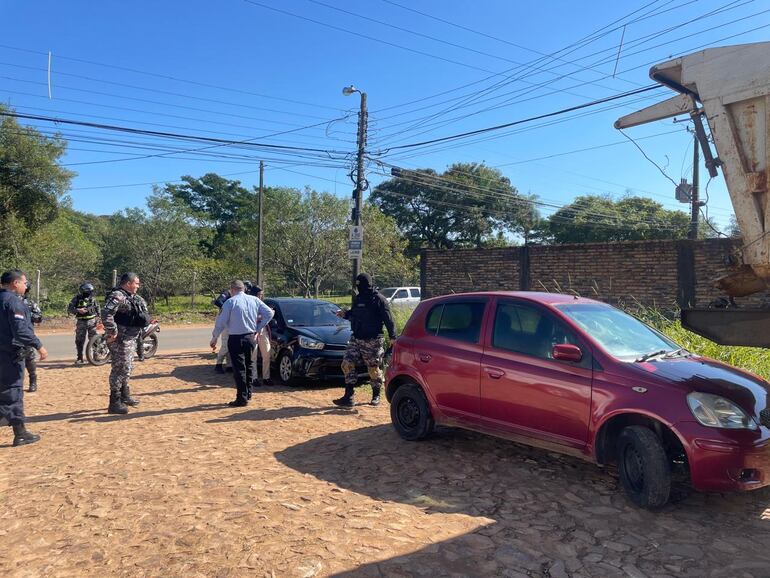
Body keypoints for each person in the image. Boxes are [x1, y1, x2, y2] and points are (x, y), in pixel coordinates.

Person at [334, 273, 396, 408]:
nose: (359, 288)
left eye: (360, 285)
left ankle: (376, 395)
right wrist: (345, 314)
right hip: (356, 338)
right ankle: (349, 396)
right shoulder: (359, 298)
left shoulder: (379, 299)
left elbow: (389, 320)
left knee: (373, 369)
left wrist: (393, 337)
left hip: (373, 340)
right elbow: (354, 314)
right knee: (347, 363)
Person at [0, 269, 47, 446]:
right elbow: (21, 331)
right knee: (13, 391)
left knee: (3, 390)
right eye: (24, 282)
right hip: (10, 354)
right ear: (15, 283)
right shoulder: (13, 302)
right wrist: (39, 345)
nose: (26, 285)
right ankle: (20, 433)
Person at [210, 280, 273, 407]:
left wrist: (214, 337)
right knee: (249, 366)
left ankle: (241, 398)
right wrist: (258, 327)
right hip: (250, 337)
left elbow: (221, 322)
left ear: (232, 289)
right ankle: (248, 393)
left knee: (239, 369)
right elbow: (270, 313)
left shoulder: (230, 302)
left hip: (236, 338)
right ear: (243, 289)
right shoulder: (254, 300)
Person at [102, 272, 150, 414]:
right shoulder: (118, 296)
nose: (138, 286)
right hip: (120, 340)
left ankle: (124, 395)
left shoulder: (133, 297)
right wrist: (112, 332)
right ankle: (114, 402)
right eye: (136, 283)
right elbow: (106, 314)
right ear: (128, 283)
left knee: (127, 367)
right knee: (119, 369)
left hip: (131, 338)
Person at [67, 282, 100, 364]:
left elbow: (97, 308)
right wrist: (78, 310)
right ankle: (79, 358)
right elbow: (70, 308)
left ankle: (96, 356)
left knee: (94, 339)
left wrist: (99, 318)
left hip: (92, 322)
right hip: (81, 322)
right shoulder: (77, 298)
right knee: (79, 340)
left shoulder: (93, 299)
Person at [249, 285, 273, 387]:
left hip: (263, 330)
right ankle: (254, 378)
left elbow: (269, 314)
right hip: (252, 330)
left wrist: (262, 317)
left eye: (262, 295)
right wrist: (258, 317)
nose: (260, 297)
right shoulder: (249, 303)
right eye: (259, 294)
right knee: (253, 356)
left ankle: (266, 377)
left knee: (267, 354)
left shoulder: (263, 303)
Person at [22, 282, 43, 392]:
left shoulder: (30, 303)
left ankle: (33, 382)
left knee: (29, 360)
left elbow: (39, 317)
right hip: (8, 337)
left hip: (26, 336)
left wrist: (31, 315)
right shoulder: (7, 301)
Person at [212, 287, 232, 373]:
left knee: (231, 344)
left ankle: (229, 365)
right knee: (225, 345)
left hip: (232, 321)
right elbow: (218, 302)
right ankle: (218, 364)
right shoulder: (227, 293)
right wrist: (227, 309)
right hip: (224, 320)